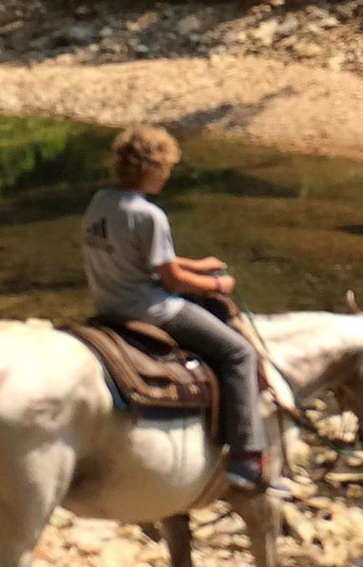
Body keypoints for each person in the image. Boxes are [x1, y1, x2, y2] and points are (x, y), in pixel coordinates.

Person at [81, 124, 274, 492]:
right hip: (151, 309)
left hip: (108, 303)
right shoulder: (149, 214)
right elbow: (170, 281)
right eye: (165, 166)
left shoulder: (101, 201)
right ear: (151, 168)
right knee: (238, 353)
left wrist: (198, 264)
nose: (168, 174)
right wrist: (217, 284)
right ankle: (247, 455)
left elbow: (149, 259)